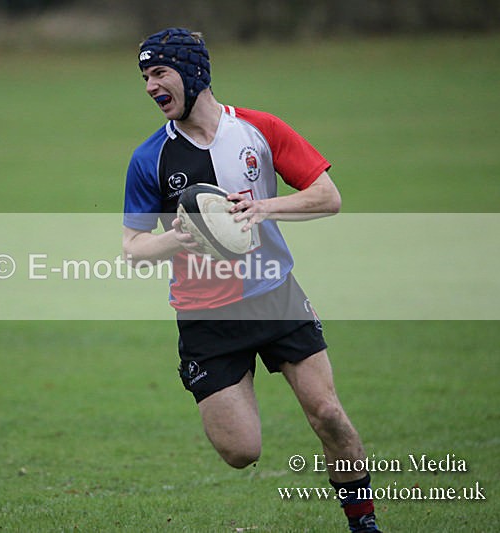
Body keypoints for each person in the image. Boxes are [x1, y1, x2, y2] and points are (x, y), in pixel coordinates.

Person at [122, 28, 381, 533]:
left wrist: (263, 207)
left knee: (327, 413)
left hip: (274, 296)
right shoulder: (149, 158)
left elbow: (328, 196)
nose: (151, 87)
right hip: (205, 316)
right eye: (145, 77)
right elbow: (133, 249)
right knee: (241, 452)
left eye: (159, 73)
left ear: (193, 72)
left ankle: (363, 524)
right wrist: (176, 239)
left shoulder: (258, 131)